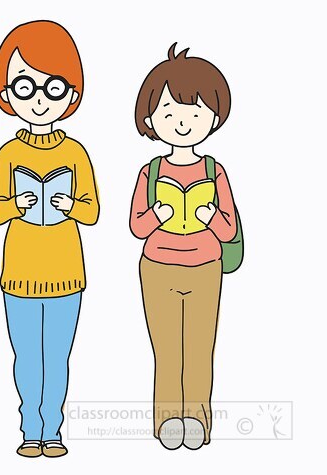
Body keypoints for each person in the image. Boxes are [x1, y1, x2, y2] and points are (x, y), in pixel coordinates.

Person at [0, 20, 99, 458]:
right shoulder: (8, 153)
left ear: (71, 95)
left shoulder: (75, 153)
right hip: (18, 272)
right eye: (24, 86)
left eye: (52, 88)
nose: (37, 99)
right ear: (6, 94)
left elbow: (92, 211)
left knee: (57, 358)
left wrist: (68, 204)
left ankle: (52, 428)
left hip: (66, 273)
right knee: (25, 358)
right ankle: (28, 427)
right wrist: (20, 202)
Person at [130, 44, 237, 450]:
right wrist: (159, 212)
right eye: (170, 114)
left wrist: (209, 217)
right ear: (151, 119)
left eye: (194, 114)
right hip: (157, 267)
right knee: (167, 351)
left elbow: (229, 230)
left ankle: (199, 422)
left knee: (199, 350)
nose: (182, 123)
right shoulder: (151, 171)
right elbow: (136, 226)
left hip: (206, 267)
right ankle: (166, 423)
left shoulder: (214, 170)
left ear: (212, 117)